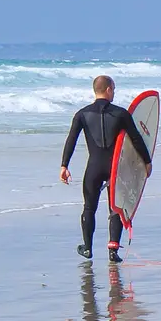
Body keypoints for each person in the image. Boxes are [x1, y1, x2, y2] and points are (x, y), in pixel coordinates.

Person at [60, 75, 153, 262]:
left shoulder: (82, 114)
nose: (114, 93)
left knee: (89, 208)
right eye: (114, 89)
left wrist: (64, 165)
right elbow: (135, 139)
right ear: (108, 89)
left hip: (93, 167)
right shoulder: (121, 114)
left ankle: (87, 248)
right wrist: (147, 161)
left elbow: (71, 139)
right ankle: (113, 250)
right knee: (116, 208)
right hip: (114, 169)